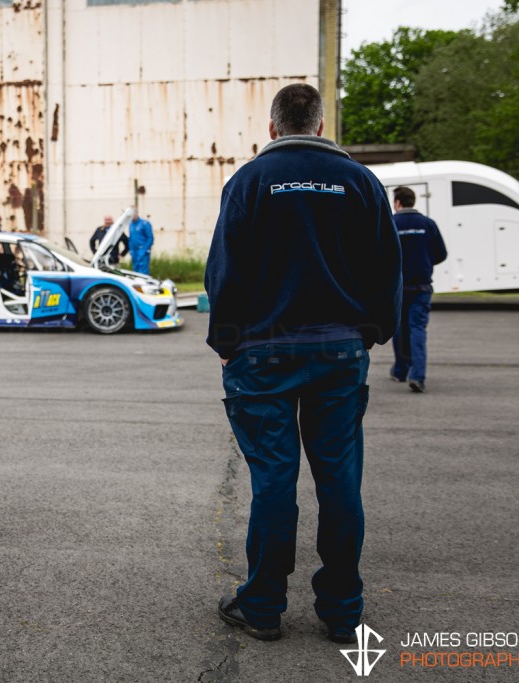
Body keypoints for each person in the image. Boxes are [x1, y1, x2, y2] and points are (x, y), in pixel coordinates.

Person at [204, 83, 401, 644]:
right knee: (340, 480)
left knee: (273, 480)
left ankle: (263, 604)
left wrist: (226, 342)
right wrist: (374, 331)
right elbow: (387, 269)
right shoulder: (361, 182)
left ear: (272, 128)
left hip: (262, 355)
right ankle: (342, 610)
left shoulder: (248, 181)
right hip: (339, 352)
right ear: (319, 126)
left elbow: (225, 271)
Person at [389, 186, 447, 393]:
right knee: (417, 330)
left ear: (397, 202)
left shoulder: (392, 223)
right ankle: (418, 376)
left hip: (398, 287)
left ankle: (400, 370)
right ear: (412, 201)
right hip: (422, 286)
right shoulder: (428, 224)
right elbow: (441, 253)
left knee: (399, 329)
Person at [128, 210, 153, 274]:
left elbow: (150, 238)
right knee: (135, 269)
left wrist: (145, 249)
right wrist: (131, 249)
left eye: (133, 214)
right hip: (134, 251)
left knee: (143, 269)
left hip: (142, 250)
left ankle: (144, 283)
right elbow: (131, 238)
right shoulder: (130, 224)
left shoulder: (144, 223)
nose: (132, 216)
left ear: (137, 213)